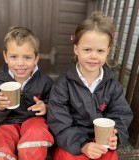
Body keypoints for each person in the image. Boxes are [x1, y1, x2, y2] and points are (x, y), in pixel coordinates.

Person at [47, 12, 133, 160]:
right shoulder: (63, 84)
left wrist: (116, 137)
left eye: (100, 51)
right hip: (72, 143)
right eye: (87, 50)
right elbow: (59, 122)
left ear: (108, 52)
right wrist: (82, 145)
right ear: (76, 49)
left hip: (101, 142)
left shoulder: (112, 85)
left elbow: (121, 115)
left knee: (110, 156)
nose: (93, 56)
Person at [0, 26, 54, 160]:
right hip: (7, 123)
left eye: (27, 57)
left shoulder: (45, 82)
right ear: (5, 56)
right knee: (1, 141)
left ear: (36, 58)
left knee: (37, 132)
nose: (20, 63)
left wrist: (46, 107)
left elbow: (58, 104)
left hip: (34, 120)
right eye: (14, 57)